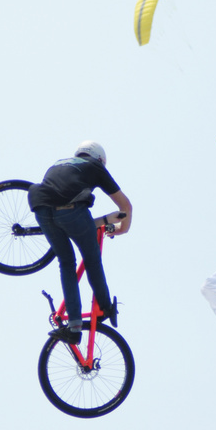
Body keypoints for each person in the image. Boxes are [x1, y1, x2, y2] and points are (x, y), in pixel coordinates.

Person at [28, 141, 132, 344]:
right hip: (71, 211)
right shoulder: (95, 167)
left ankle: (74, 327)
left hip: (41, 209)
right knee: (92, 257)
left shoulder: (58, 163)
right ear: (100, 160)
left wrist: (102, 221)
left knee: (66, 262)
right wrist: (122, 229)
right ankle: (105, 306)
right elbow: (125, 205)